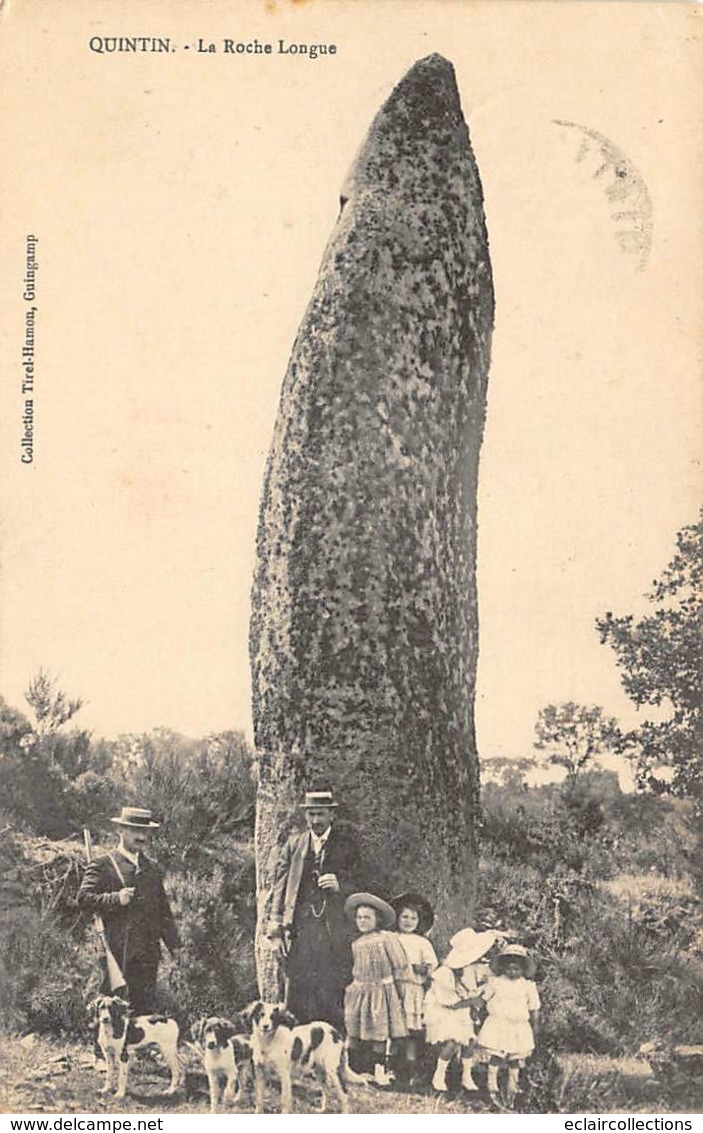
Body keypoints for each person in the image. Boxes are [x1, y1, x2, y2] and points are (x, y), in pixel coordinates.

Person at [267, 789, 358, 1030]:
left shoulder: (346, 845)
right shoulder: (294, 844)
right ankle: (296, 1048)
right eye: (311, 815)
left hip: (333, 932)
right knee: (297, 990)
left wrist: (342, 886)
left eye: (321, 814)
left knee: (331, 990)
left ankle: (331, 1047)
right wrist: (275, 928)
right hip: (299, 932)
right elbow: (279, 886)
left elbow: (366, 881)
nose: (316, 820)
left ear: (332, 815)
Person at [78, 805, 181, 1013]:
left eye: (144, 831)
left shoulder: (151, 868)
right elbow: (83, 899)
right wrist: (116, 898)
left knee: (144, 1015)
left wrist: (176, 948)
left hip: (147, 956)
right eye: (135, 830)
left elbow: (163, 912)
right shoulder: (103, 865)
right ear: (120, 831)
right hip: (118, 953)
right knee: (112, 1013)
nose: (141, 836)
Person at [424, 926, 501, 1095]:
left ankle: (466, 1076)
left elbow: (485, 988)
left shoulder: (473, 969)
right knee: (455, 1040)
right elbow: (450, 1003)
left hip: (462, 1008)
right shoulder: (444, 973)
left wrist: (478, 1001)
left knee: (470, 1042)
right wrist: (474, 1001)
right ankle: (439, 1075)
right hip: (444, 1010)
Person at [343, 892, 410, 1086]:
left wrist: (392, 989)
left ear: (377, 919)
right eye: (359, 917)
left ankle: (378, 1071)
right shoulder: (356, 943)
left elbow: (400, 963)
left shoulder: (386, 938)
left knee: (380, 1032)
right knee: (354, 1030)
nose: (362, 921)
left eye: (367, 917)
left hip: (382, 990)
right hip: (359, 990)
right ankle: (352, 1069)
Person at [475, 943, 540, 1110]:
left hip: (518, 1026)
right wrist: (474, 1011)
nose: (512, 972)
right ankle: (492, 1087)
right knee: (496, 1056)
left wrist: (535, 1025)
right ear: (503, 967)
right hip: (498, 1024)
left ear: (523, 969)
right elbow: (482, 1000)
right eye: (509, 968)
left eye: (516, 969)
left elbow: (534, 1008)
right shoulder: (495, 983)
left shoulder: (527, 986)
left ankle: (512, 1089)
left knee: (515, 1059)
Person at [390, 892, 438, 1083]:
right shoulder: (390, 938)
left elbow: (431, 967)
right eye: (405, 917)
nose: (408, 921)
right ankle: (387, 1068)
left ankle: (409, 1070)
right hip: (392, 988)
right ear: (397, 918)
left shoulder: (422, 942)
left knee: (411, 1031)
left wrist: (423, 969)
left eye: (413, 918)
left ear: (419, 921)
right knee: (392, 1028)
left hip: (412, 988)